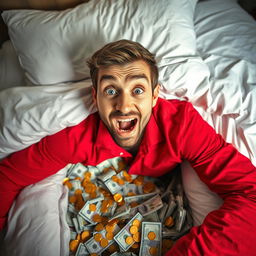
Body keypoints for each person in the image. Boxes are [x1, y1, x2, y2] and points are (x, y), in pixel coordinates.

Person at [0, 39, 256, 255]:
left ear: (155, 96)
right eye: (111, 90)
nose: (123, 106)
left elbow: (250, 193)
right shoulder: (74, 136)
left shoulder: (183, 126)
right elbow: (9, 176)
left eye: (137, 90)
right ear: (95, 97)